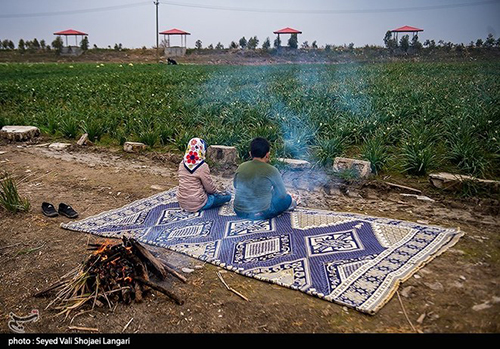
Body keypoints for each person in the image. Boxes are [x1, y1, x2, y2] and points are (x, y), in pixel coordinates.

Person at [233, 137, 297, 220]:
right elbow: (282, 195)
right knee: (287, 199)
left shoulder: (241, 167)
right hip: (260, 213)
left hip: (239, 211)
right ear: (268, 154)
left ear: (250, 154)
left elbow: (235, 185)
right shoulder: (272, 170)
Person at [177, 137, 231, 212]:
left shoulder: (182, 164)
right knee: (227, 196)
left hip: (182, 202)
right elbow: (210, 189)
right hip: (198, 203)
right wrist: (217, 192)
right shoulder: (202, 166)